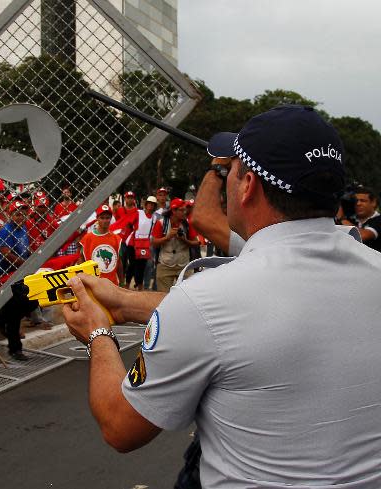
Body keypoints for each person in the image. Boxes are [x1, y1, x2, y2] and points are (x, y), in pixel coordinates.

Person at [62, 104, 381, 488]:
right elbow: (263, 319)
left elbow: (120, 426)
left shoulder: (207, 299)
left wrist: (98, 335)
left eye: (230, 170)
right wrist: (124, 301)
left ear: (248, 186)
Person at [0, 201, 34, 361]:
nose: (20, 217)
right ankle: (15, 348)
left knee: (23, 307)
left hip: (21, 274)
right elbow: (5, 253)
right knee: (15, 314)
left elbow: (25, 249)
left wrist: (32, 256)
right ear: (10, 215)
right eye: (17, 214)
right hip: (8, 276)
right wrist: (26, 264)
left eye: (23, 214)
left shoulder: (23, 229)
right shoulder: (5, 231)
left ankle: (1, 319)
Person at [78, 204, 123, 286]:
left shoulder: (117, 239)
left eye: (107, 218)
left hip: (112, 285)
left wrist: (122, 282)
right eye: (102, 218)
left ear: (110, 219)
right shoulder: (87, 238)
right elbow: (81, 260)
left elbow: (119, 263)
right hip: (93, 284)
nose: (105, 220)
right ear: (97, 218)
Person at [124, 196, 157, 290]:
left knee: (142, 265)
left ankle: (139, 285)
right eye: (149, 203)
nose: (150, 205)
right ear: (146, 204)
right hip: (133, 243)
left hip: (144, 245)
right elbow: (129, 223)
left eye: (152, 204)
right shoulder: (138, 213)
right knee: (132, 264)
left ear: (154, 206)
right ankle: (127, 283)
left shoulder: (154, 218)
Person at [352, 187, 381, 252]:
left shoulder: (379, 220)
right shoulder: (350, 219)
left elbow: (362, 236)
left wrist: (342, 219)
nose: (358, 204)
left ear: (373, 202)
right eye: (356, 201)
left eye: (363, 201)